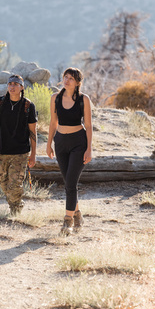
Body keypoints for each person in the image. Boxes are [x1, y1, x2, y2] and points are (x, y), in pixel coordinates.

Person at [46, 67, 92, 235]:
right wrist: (49, 143)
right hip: (60, 143)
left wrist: (89, 148)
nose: (67, 80)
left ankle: (68, 222)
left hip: (78, 143)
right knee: (68, 183)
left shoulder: (83, 100)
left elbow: (88, 125)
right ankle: (77, 213)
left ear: (78, 82)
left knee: (71, 183)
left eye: (71, 78)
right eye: (65, 77)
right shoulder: (55, 98)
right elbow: (53, 123)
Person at [0, 74, 37, 215]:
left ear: (22, 87)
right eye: (10, 84)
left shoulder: (28, 106)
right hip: (2, 151)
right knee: (3, 183)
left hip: (21, 152)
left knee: (14, 184)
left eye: (15, 84)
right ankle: (16, 204)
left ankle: (15, 211)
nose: (12, 87)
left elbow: (33, 132)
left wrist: (33, 154)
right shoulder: (0, 102)